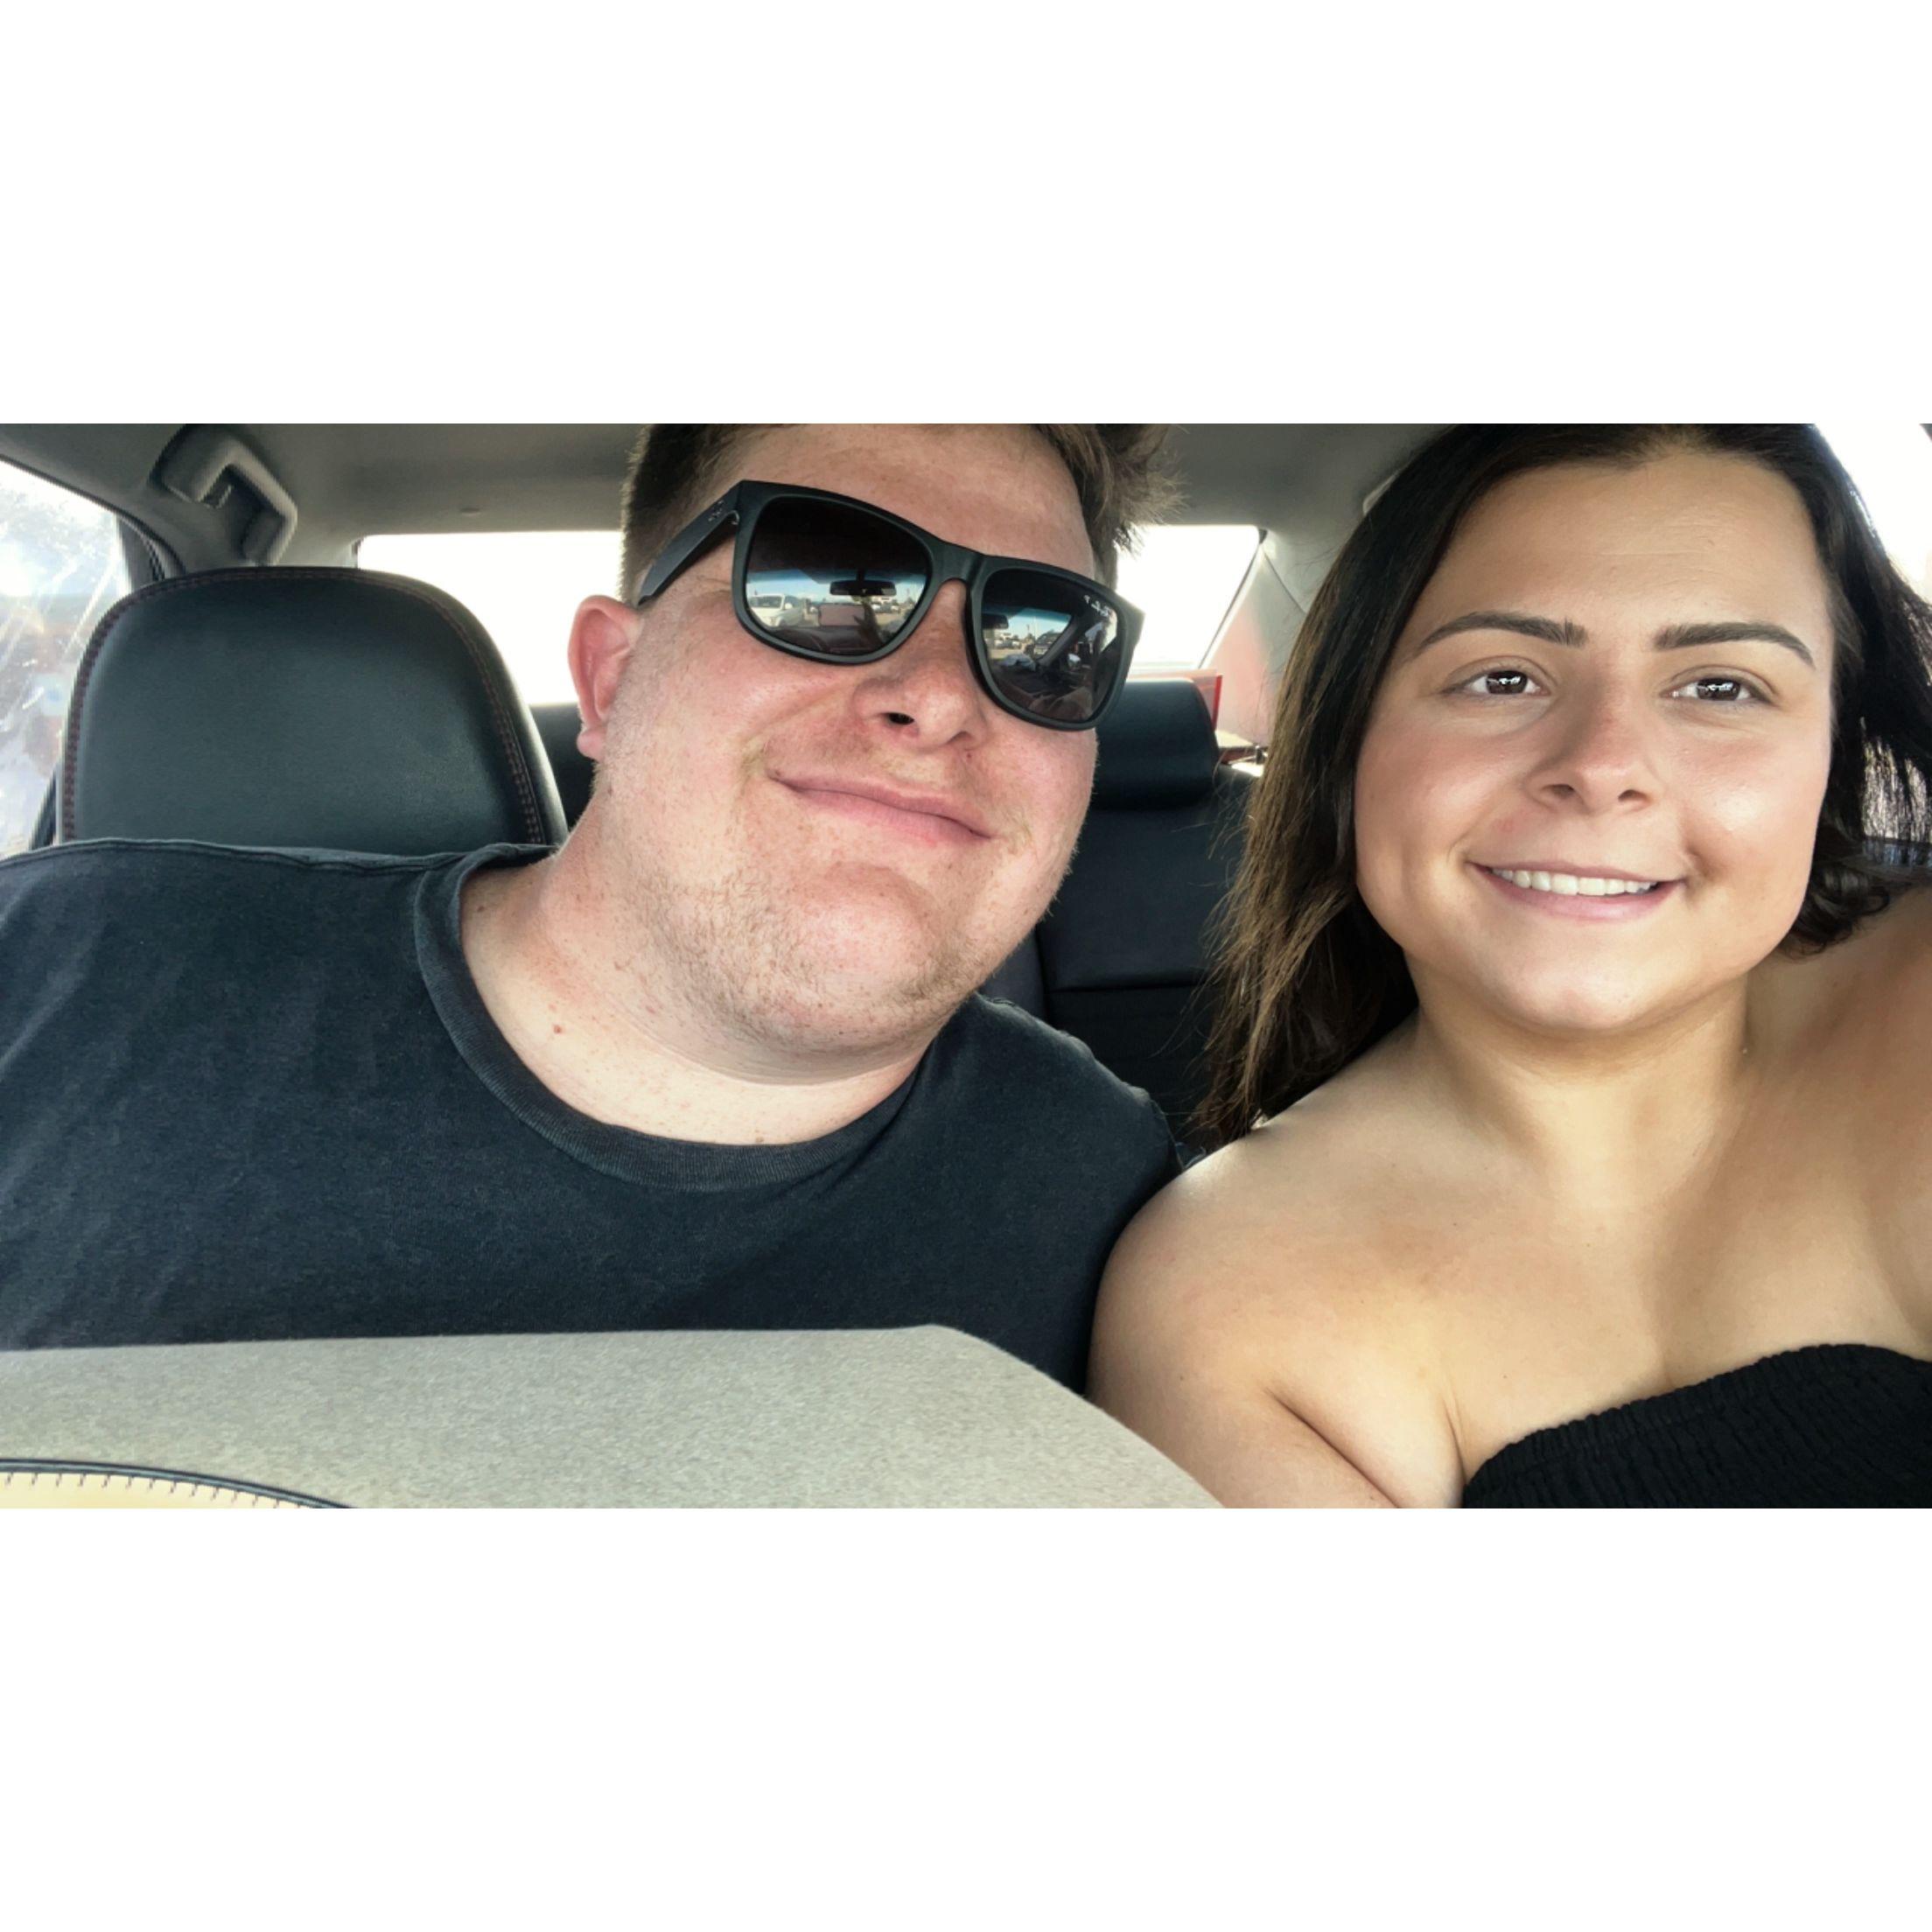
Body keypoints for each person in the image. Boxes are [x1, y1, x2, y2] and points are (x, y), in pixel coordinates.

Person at [0, 424, 1178, 1389]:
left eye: (1047, 643)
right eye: (824, 586)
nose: (941, 697)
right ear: (612, 680)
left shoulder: (1133, 1213)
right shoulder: (53, 972)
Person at [1091, 425, 1932, 1503]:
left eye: (1721, 687)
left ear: (1832, 757)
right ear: (1349, 741)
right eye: (1501, 678)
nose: (1603, 766)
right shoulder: (1220, 1297)